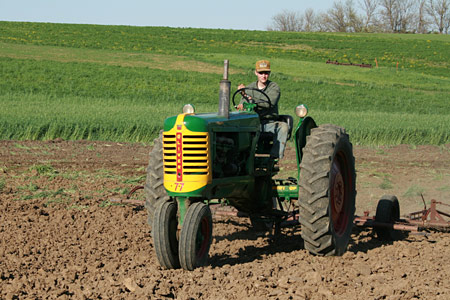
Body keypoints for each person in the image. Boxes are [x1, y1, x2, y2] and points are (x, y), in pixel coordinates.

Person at [237, 60, 288, 159]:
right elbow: (242, 103)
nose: (263, 76)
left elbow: (269, 103)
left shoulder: (274, 87)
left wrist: (250, 99)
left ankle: (274, 157)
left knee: (283, 127)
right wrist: (241, 105)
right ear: (256, 73)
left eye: (266, 73)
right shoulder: (249, 88)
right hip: (252, 123)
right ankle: (241, 156)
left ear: (269, 73)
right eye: (261, 73)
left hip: (268, 123)